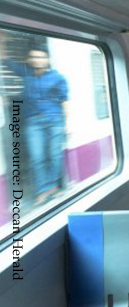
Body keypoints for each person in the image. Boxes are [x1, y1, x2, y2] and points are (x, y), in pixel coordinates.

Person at [1, 39, 70, 204]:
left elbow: (64, 101)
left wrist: (68, 124)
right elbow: (6, 62)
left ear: (47, 59)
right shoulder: (25, 72)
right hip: (33, 123)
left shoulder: (58, 77)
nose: (37, 60)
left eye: (41, 57)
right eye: (34, 57)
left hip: (55, 121)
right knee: (36, 157)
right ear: (30, 60)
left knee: (54, 155)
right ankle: (42, 190)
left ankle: (52, 186)